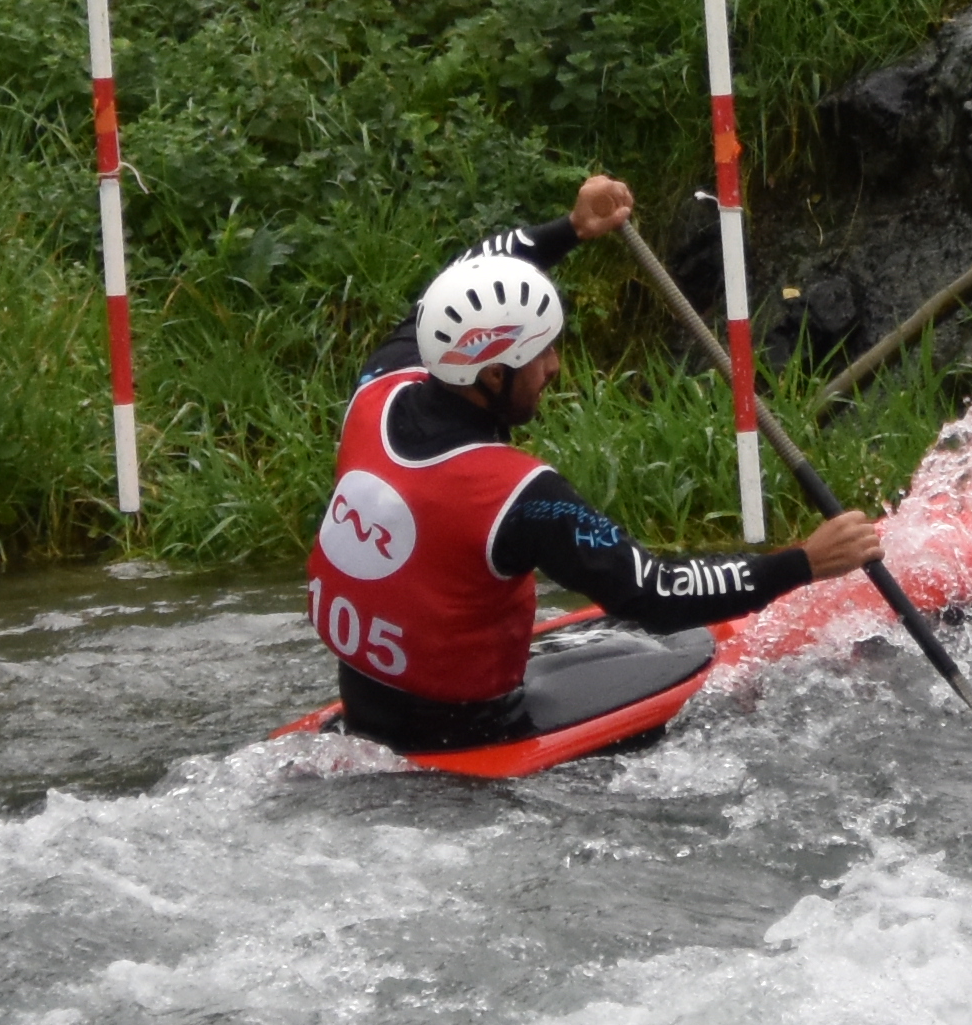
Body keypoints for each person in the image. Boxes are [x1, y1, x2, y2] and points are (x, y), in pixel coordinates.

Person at [311, 176, 887, 760]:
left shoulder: (383, 380)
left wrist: (572, 229)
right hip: (469, 736)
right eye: (541, 353)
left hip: (365, 706)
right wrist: (804, 564)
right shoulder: (519, 496)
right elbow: (653, 594)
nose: (556, 368)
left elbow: (467, 276)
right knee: (670, 661)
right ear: (491, 375)